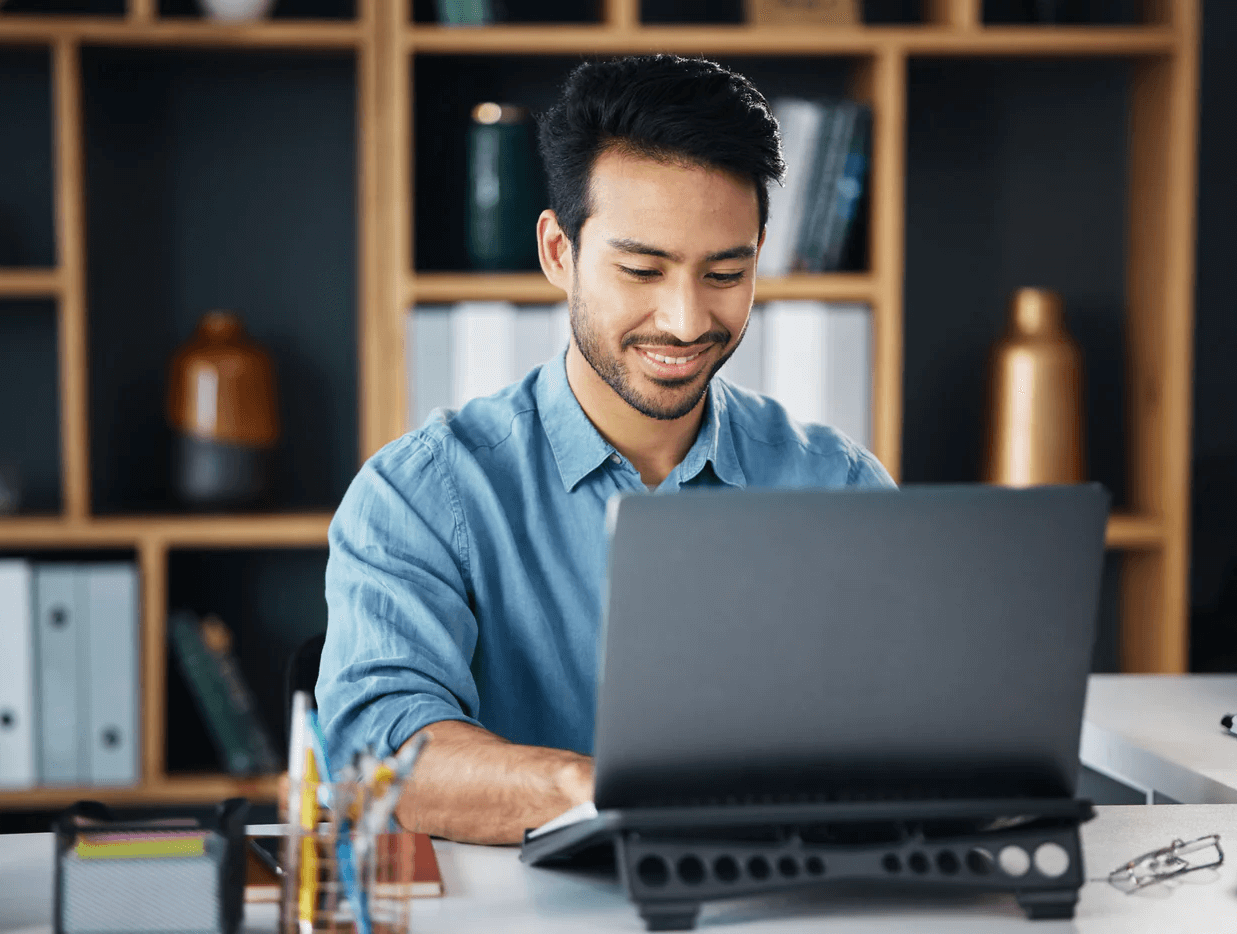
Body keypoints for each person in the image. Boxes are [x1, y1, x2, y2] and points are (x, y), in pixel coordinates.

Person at [317, 54, 894, 846]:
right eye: (641, 270)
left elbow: (904, 738)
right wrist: (598, 792)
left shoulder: (839, 486)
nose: (687, 320)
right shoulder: (421, 494)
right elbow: (373, 758)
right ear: (560, 252)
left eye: (725, 272)